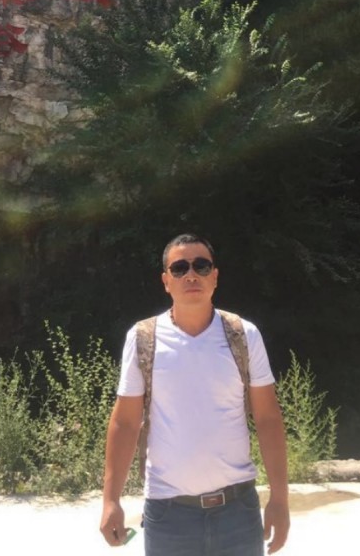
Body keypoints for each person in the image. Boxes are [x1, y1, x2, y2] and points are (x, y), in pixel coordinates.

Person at [100, 233, 290, 555]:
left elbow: (268, 418)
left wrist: (280, 500)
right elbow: (125, 423)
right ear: (166, 281)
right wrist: (110, 501)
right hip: (168, 515)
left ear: (214, 277)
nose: (191, 275)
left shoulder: (244, 335)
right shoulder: (143, 338)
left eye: (201, 266)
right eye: (179, 268)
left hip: (238, 513)